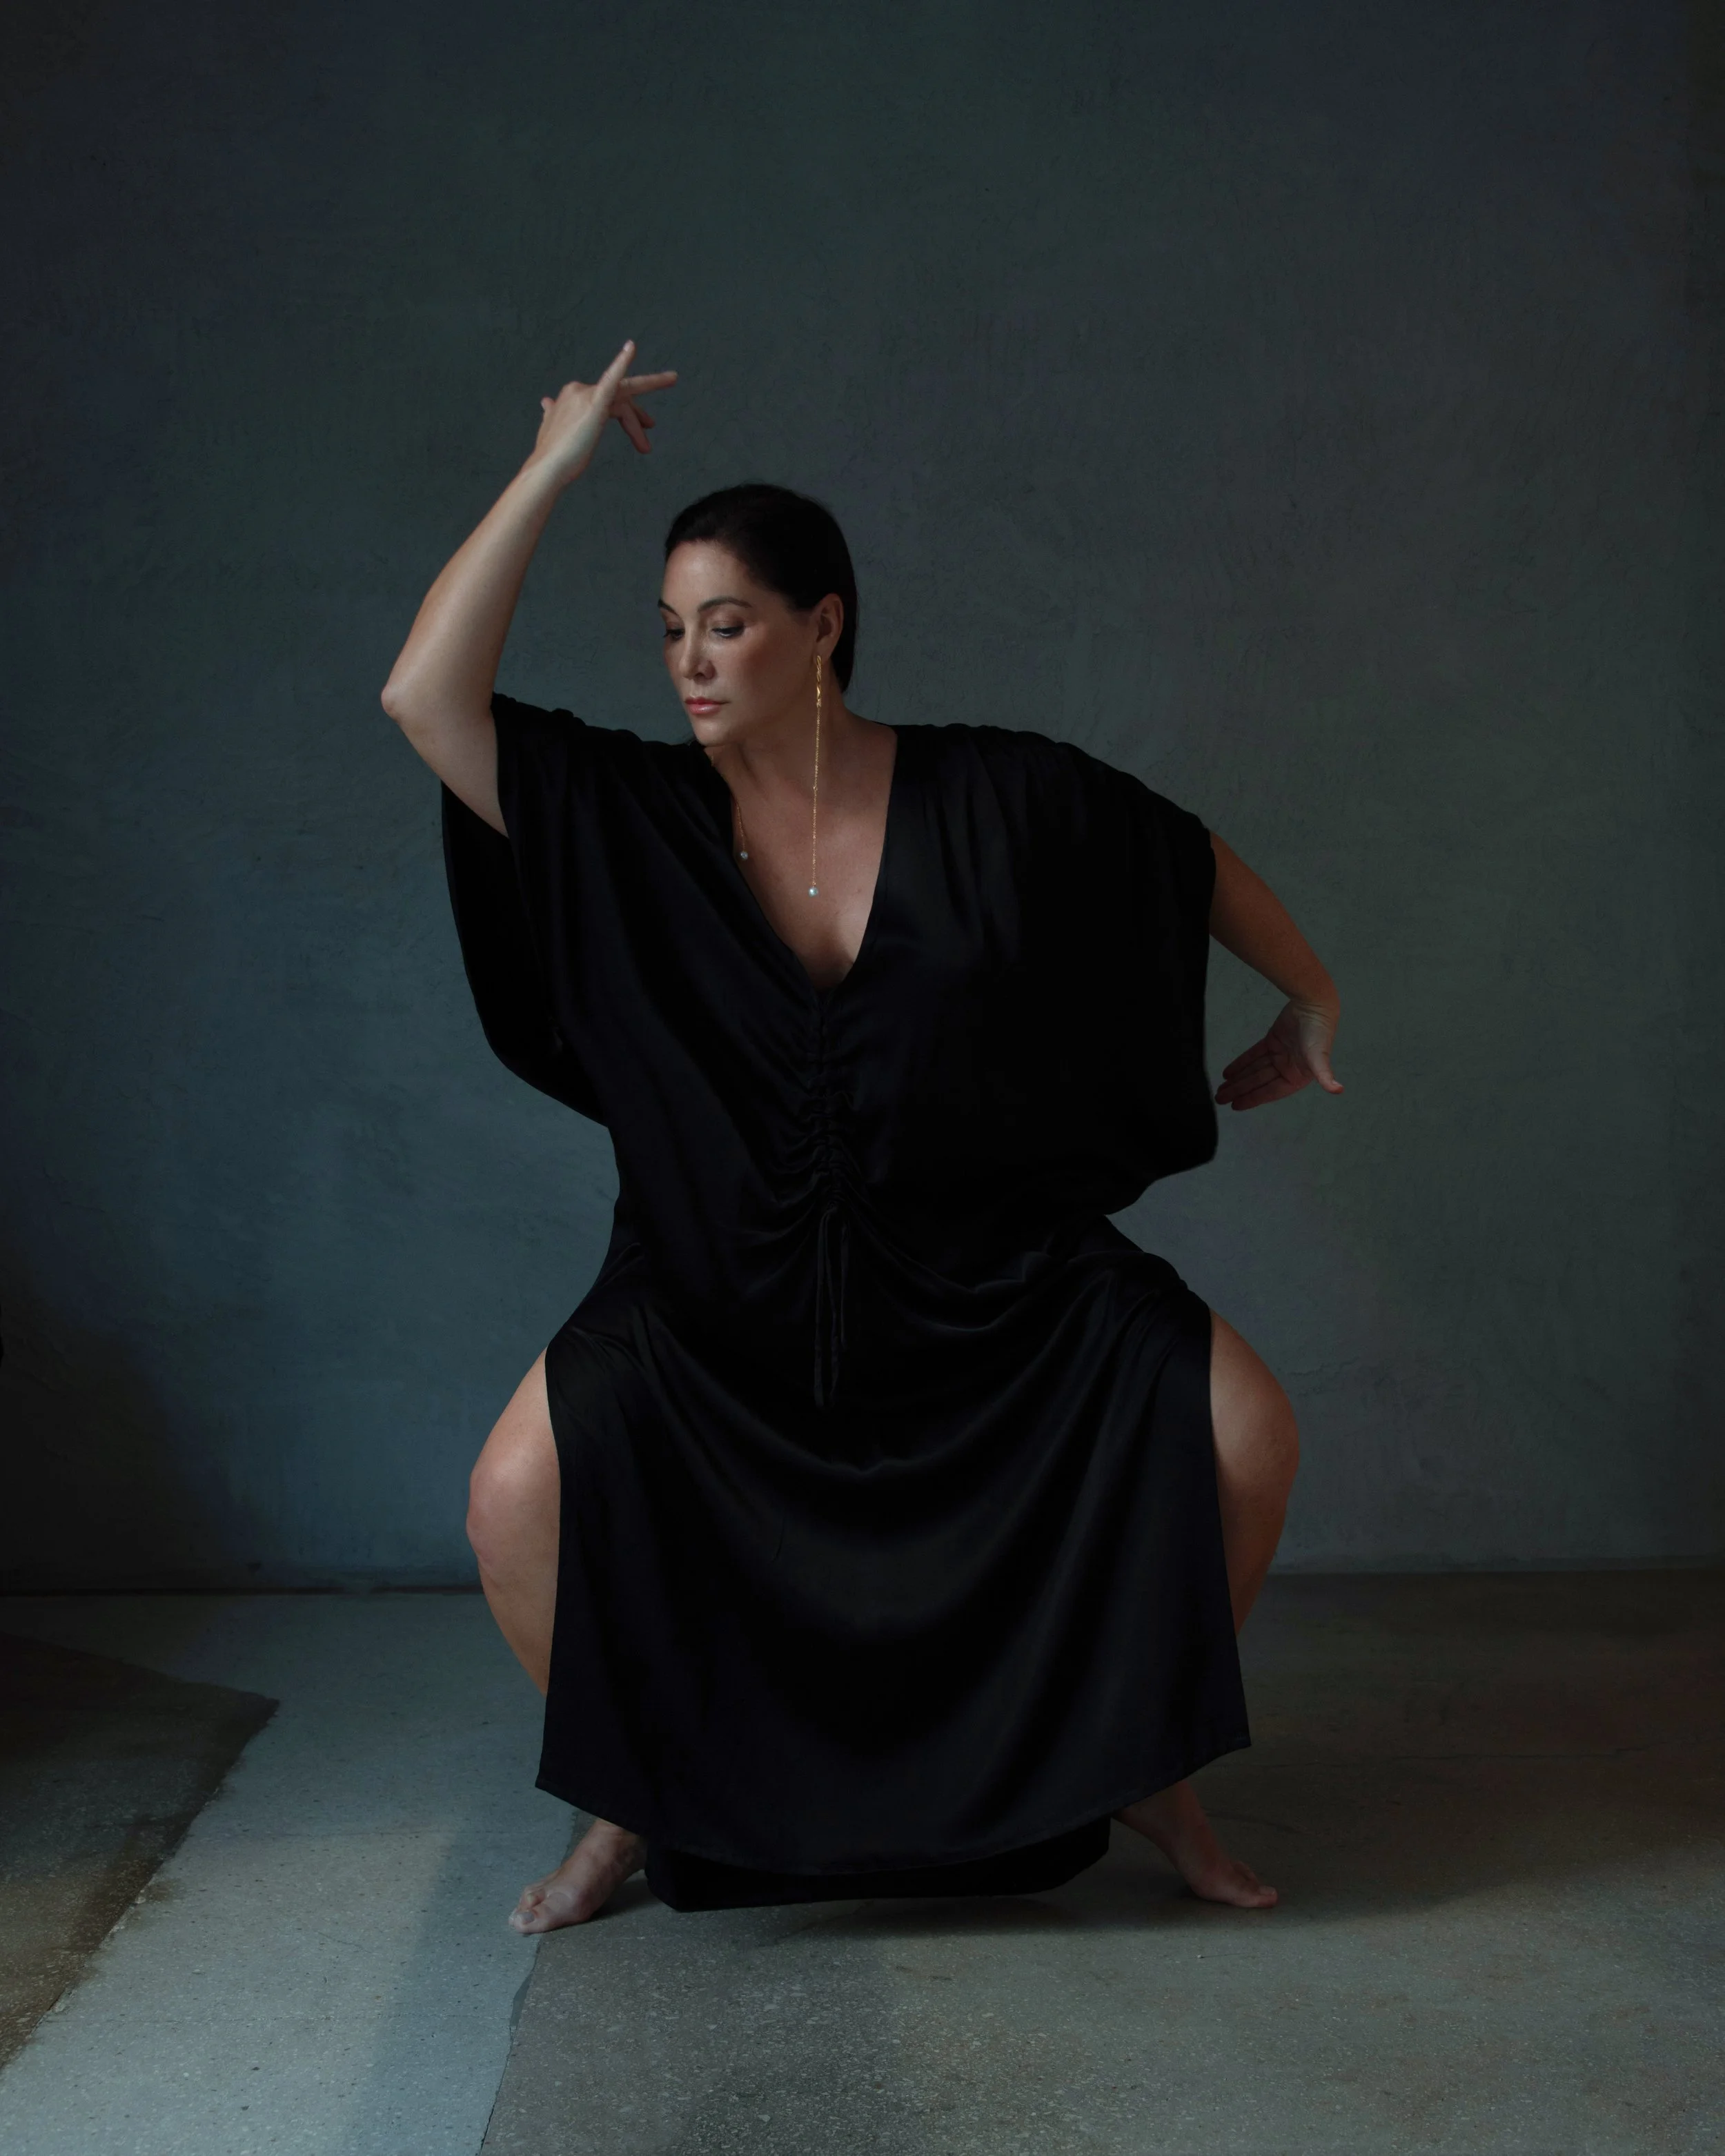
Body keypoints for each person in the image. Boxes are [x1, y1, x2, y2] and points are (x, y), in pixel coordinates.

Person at [381, 342, 1342, 1934]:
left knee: (1248, 1435)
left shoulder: (991, 791)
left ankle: (1148, 1769)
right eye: (672, 630)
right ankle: (633, 1794)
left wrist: (1305, 998)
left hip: (987, 1283)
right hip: (713, 1293)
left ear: (820, 625)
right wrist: (552, 466)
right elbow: (426, 696)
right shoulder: (626, 813)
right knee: (508, 1497)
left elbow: (1178, 855)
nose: (689, 661)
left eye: (729, 622)